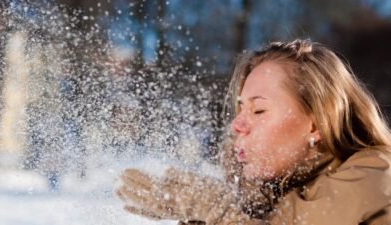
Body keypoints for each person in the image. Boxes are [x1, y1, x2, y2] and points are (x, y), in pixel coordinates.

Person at [115, 39, 391, 225]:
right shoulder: (281, 187)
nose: (237, 125)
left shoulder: (376, 175)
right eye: (241, 110)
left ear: (316, 124)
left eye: (258, 111)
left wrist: (219, 211)